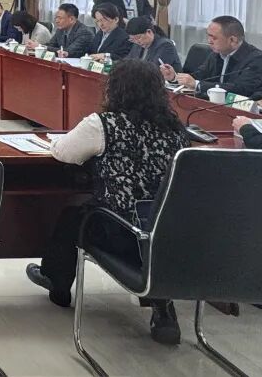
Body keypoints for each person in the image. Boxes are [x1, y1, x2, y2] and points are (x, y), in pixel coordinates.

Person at [26, 60, 188, 345]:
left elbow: (64, 152)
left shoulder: (104, 124)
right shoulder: (176, 129)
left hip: (120, 233)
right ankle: (162, 308)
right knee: (85, 215)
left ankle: (57, 283)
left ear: (115, 89)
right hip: (166, 232)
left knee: (74, 216)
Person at [162, 15, 262, 99]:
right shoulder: (216, 54)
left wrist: (197, 84)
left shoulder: (256, 59)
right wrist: (174, 77)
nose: (209, 41)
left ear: (232, 40)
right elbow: (199, 76)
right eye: (208, 36)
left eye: (214, 37)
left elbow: (241, 90)